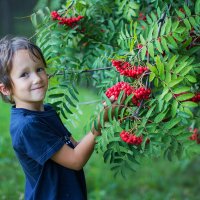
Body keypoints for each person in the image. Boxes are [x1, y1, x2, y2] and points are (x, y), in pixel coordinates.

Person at [0, 36, 118, 200]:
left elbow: (75, 147)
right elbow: (76, 160)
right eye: (24, 74)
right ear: (6, 89)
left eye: (39, 69)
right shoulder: (27, 127)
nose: (36, 78)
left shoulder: (46, 111)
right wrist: (100, 121)